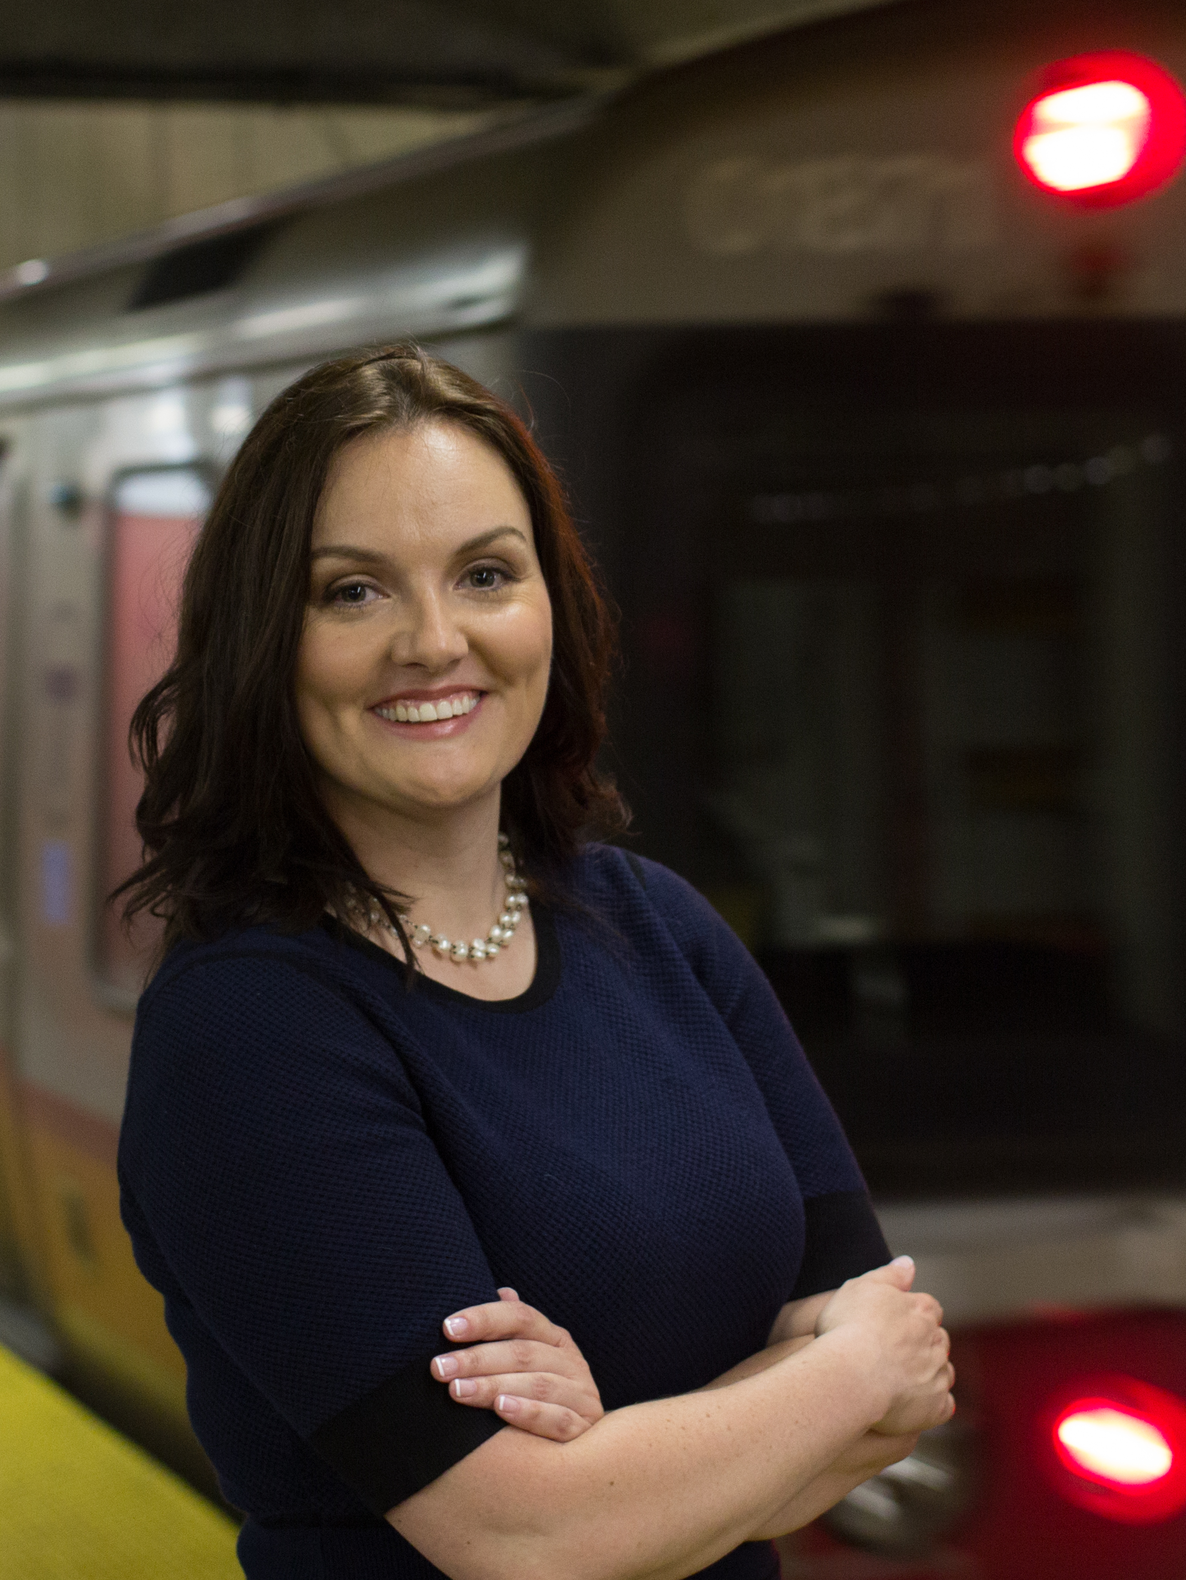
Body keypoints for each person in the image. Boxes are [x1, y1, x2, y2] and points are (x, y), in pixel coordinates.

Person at [115, 344, 954, 1580]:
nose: (433, 639)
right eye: (353, 591)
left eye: (486, 574)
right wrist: (838, 1375)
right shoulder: (247, 1029)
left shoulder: (657, 925)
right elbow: (520, 1537)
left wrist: (609, 1459)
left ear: (550, 603)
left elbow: (901, 1398)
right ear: (262, 640)